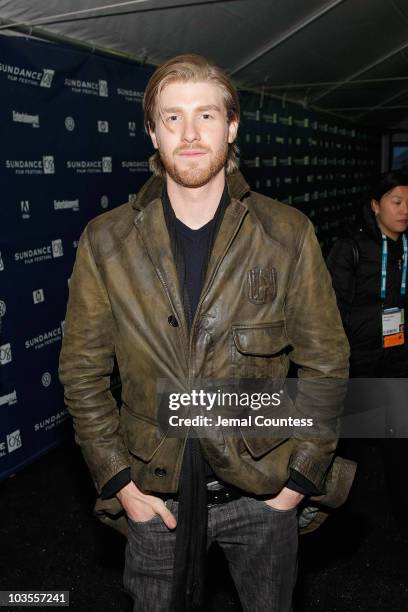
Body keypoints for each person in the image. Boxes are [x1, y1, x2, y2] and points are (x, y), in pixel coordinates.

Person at [59, 54, 353, 612]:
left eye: (206, 116)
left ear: (233, 125)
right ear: (152, 130)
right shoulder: (105, 239)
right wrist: (122, 483)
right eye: (172, 118)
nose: (189, 134)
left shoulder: (287, 233)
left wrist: (297, 482)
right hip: (154, 495)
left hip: (264, 494)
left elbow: (326, 364)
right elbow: (82, 372)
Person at [327, 170, 408, 537]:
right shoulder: (351, 248)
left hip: (398, 363)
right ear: (376, 206)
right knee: (350, 449)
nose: (404, 210)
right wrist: (373, 325)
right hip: (358, 364)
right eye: (396, 202)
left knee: (399, 446)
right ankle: (337, 523)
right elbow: (331, 310)